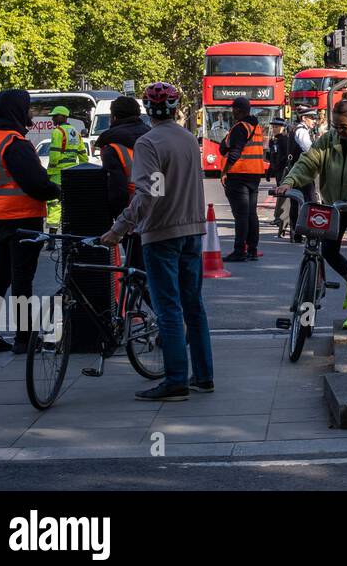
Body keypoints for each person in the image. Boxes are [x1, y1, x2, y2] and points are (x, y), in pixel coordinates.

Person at [101, 83, 212, 400]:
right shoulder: (190, 139)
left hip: (162, 233)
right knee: (194, 307)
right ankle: (203, 376)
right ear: (177, 109)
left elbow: (150, 192)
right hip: (193, 231)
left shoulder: (149, 143)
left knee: (168, 309)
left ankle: (176, 379)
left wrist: (120, 228)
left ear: (149, 110)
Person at [276, 95, 347, 329]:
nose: (339, 131)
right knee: (329, 251)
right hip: (334, 205)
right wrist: (290, 181)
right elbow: (308, 162)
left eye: (343, 127)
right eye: (336, 126)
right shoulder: (328, 140)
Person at [0, 90, 60, 355]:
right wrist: (56, 190)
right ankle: (24, 339)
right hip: (23, 218)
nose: (30, 112)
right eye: (28, 107)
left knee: (0, 277)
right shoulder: (15, 142)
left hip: (0, 217)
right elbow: (35, 184)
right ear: (17, 111)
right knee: (22, 280)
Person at [96, 95, 151, 269]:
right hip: (160, 208)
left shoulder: (112, 145)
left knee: (136, 266)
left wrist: (117, 220)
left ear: (114, 117)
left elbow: (117, 189)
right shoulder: (153, 136)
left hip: (132, 211)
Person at [219, 97, 265, 263]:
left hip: (239, 174)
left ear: (238, 110)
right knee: (251, 214)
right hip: (254, 174)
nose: (232, 112)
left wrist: (224, 171)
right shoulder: (255, 126)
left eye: (233, 109)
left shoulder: (240, 127)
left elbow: (235, 152)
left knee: (241, 215)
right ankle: (252, 249)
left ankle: (239, 251)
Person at [45, 104, 88, 234]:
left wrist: (49, 173)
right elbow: (83, 156)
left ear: (63, 117)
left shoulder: (58, 132)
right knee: (70, 204)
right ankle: (71, 233)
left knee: (54, 205)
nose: (52, 119)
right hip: (73, 175)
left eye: (55, 116)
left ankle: (52, 237)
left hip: (58, 175)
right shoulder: (76, 133)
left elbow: (54, 156)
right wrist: (83, 171)